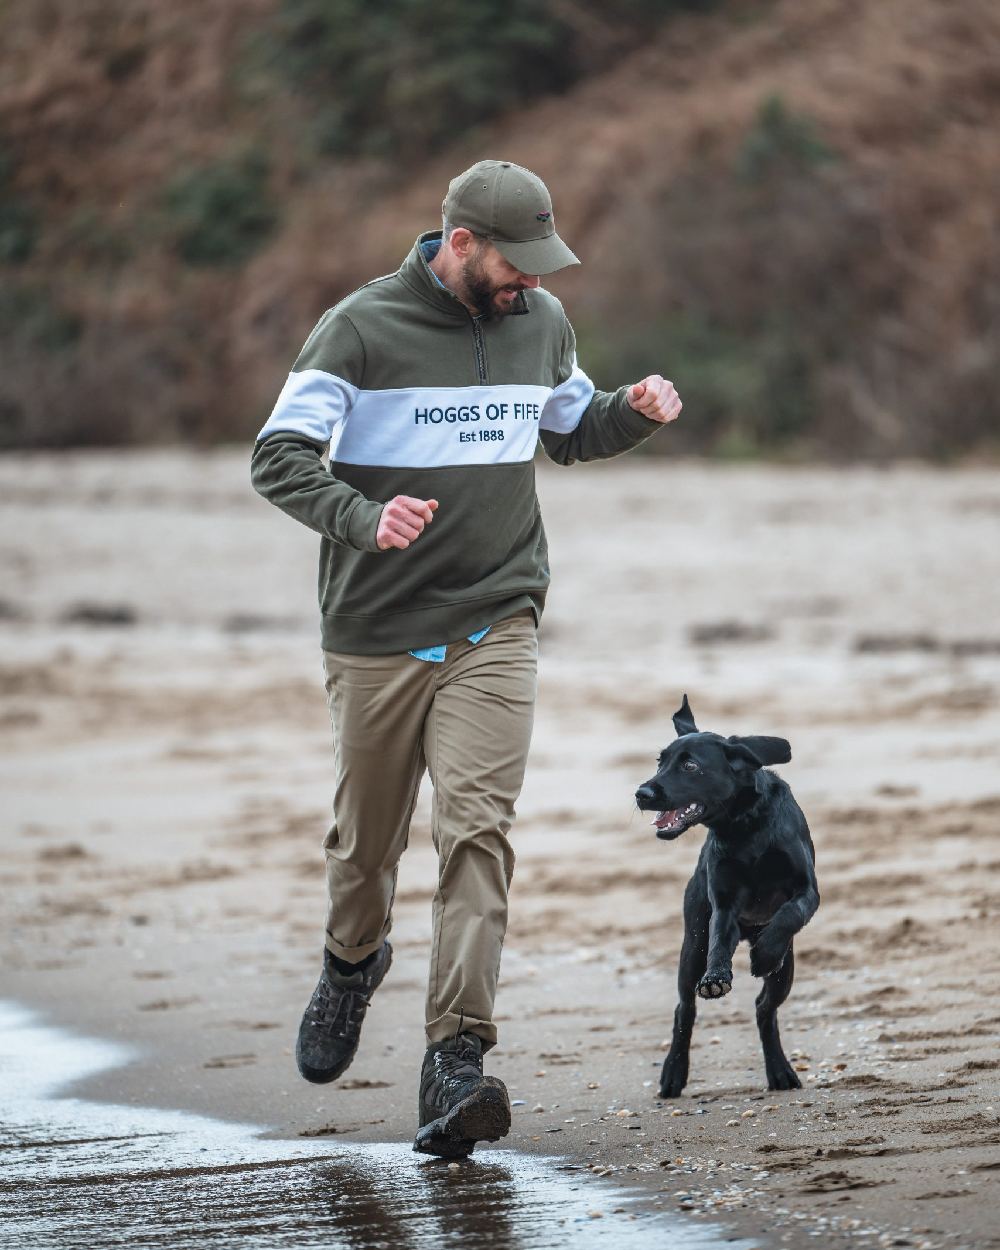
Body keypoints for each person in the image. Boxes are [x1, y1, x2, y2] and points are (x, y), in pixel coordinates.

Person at [250, 159, 682, 1158]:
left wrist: (636, 411)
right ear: (457, 242)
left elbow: (572, 431)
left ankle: (457, 1057)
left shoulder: (542, 323)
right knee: (366, 843)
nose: (528, 281)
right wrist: (360, 515)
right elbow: (277, 456)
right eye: (513, 262)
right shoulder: (357, 327)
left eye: (539, 263)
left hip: (497, 615)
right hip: (375, 631)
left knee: (476, 830)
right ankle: (350, 962)